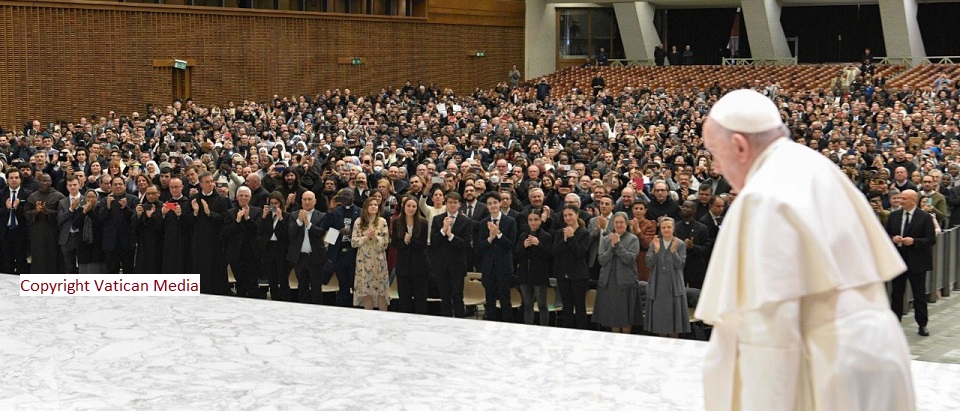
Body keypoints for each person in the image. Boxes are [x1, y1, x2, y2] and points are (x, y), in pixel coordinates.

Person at [697, 89, 914, 411]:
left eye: (715, 153)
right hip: (879, 352)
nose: (716, 167)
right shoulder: (814, 165)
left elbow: (769, 333)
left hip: (831, 368)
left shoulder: (763, 196)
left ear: (740, 146)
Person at [886, 189, 936, 337]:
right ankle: (895, 323)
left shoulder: (924, 217)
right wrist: (893, 238)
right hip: (899, 259)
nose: (900, 201)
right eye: (900, 198)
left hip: (917, 261)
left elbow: (931, 239)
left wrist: (914, 241)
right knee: (897, 293)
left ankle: (922, 324)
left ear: (913, 201)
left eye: (904, 199)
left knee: (919, 294)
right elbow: (886, 233)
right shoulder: (894, 215)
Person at [593, 212, 643, 333]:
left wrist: (618, 245)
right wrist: (611, 248)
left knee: (626, 318)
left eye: (621, 222)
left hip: (626, 282)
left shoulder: (633, 239)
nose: (619, 225)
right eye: (616, 222)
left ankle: (626, 341)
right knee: (613, 318)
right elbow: (601, 260)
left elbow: (629, 259)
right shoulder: (606, 239)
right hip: (609, 282)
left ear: (626, 224)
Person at [430, 191, 473, 318]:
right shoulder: (438, 219)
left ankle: (459, 322)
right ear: (446, 203)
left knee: (457, 296)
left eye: (455, 202)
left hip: (457, 265)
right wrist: (443, 230)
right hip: (441, 265)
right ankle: (446, 323)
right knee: (444, 296)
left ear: (459, 204)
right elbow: (434, 242)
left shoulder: (466, 221)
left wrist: (450, 235)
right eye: (449, 202)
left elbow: (465, 244)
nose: (452, 205)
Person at [644, 217, 689, 337]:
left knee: (674, 324)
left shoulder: (680, 244)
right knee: (660, 322)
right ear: (660, 229)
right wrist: (656, 252)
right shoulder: (655, 243)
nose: (666, 230)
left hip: (674, 286)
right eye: (664, 227)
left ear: (673, 228)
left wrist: (674, 252)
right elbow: (648, 263)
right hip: (658, 286)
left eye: (669, 227)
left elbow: (680, 265)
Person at [476, 192, 517, 322]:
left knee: (505, 298)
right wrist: (490, 238)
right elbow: (480, 246)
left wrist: (498, 234)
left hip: (504, 266)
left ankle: (507, 324)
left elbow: (511, 245)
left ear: (500, 203)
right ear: (487, 206)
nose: (493, 205)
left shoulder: (510, 221)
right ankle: (491, 325)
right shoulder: (483, 223)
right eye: (489, 203)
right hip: (488, 267)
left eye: (495, 202)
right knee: (490, 299)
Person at [190, 172, 230, 294]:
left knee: (216, 270)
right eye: (207, 182)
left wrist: (209, 213)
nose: (211, 184)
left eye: (212, 181)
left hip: (215, 241)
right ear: (201, 184)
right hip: (198, 241)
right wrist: (195, 213)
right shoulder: (194, 199)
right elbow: (187, 221)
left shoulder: (222, 200)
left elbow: (224, 220)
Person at [552, 204, 591, 329]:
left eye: (570, 215)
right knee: (566, 306)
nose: (568, 218)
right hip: (563, 274)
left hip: (578, 275)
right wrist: (564, 240)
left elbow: (580, 253)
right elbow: (554, 252)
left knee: (579, 306)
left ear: (577, 215)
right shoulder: (560, 232)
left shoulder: (584, 233)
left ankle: (581, 331)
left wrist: (572, 238)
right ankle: (567, 331)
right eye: (565, 215)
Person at [321, 188, 361, 307]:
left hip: (353, 253)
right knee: (342, 284)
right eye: (343, 195)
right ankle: (343, 307)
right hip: (339, 254)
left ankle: (355, 306)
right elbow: (325, 227)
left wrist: (351, 232)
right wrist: (330, 209)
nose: (345, 197)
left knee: (355, 283)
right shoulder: (335, 211)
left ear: (353, 197)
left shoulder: (360, 211)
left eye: (347, 195)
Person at [391, 196, 430, 314]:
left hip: (420, 265)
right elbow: (394, 243)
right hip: (403, 265)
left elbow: (423, 245)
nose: (411, 208)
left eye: (414, 206)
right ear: (404, 207)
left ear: (417, 208)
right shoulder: (397, 222)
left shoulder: (423, 222)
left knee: (420, 298)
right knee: (404, 298)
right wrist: (404, 242)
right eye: (408, 206)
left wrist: (411, 240)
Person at [224, 186, 264, 298]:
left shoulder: (257, 211)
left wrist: (247, 218)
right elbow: (226, 232)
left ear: (250, 198)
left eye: (246, 196)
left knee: (252, 284)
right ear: (236, 197)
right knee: (240, 284)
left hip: (252, 254)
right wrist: (237, 221)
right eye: (241, 195)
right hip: (236, 254)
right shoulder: (230, 212)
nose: (243, 198)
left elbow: (258, 230)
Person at [351, 197, 390, 310]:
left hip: (378, 259)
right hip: (364, 260)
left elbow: (386, 242)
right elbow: (353, 242)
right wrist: (366, 237)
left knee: (381, 291)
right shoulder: (359, 222)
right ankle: (368, 316)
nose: (373, 206)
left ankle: (383, 316)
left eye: (375, 205)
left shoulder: (382, 222)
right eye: (371, 204)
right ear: (366, 207)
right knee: (366, 290)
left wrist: (375, 237)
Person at [287, 191, 326, 304]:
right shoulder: (294, 215)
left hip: (315, 257)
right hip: (300, 257)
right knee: (302, 287)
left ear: (315, 201)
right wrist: (299, 221)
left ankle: (316, 309)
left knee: (316, 287)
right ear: (301, 201)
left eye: (310, 199)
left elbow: (320, 233)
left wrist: (308, 224)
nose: (307, 202)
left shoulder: (321, 216)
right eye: (304, 199)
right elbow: (291, 234)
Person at [515, 212, 553, 325]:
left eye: (535, 219)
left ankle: (544, 328)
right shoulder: (523, 235)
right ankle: (528, 327)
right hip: (524, 274)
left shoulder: (546, 236)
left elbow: (549, 256)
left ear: (540, 221)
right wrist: (524, 246)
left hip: (539, 275)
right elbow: (516, 255)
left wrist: (538, 244)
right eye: (530, 220)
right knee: (527, 305)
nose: (533, 222)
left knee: (542, 304)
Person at [97, 176, 138, 274]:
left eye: (120, 184)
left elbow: (135, 219)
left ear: (125, 186)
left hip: (128, 242)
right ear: (111, 186)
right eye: (115, 184)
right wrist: (108, 207)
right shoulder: (105, 200)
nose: (118, 186)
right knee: (111, 272)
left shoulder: (133, 199)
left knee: (129, 271)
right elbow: (99, 219)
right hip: (110, 243)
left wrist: (126, 208)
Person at [25, 174, 64, 273]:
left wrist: (47, 211)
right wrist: (36, 211)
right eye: (42, 181)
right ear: (39, 182)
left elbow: (62, 214)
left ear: (51, 182)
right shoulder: (33, 196)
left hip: (53, 232)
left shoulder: (58, 196)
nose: (45, 183)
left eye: (47, 181)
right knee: (39, 257)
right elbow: (26, 213)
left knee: (53, 257)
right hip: (37, 232)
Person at [259, 191, 292, 302]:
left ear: (281, 203)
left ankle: (286, 300)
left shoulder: (287, 216)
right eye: (271, 203)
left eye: (276, 203)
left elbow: (286, 235)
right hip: (269, 248)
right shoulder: (267, 216)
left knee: (283, 279)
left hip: (281, 249)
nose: (274, 205)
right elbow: (260, 232)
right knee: (271, 278)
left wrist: (280, 218)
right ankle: (274, 299)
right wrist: (264, 216)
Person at [1, 169, 31, 274]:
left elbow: (29, 214)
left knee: (21, 260)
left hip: (21, 231)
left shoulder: (27, 194)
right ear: (7, 180)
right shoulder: (1, 194)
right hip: (5, 232)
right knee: (6, 259)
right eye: (11, 178)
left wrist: (18, 208)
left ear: (20, 179)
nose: (14, 180)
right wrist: (6, 208)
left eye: (16, 177)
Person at [131, 185, 163, 274]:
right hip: (143, 243)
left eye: (153, 193)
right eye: (148, 194)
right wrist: (138, 215)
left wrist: (150, 217)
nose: (150, 196)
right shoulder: (142, 207)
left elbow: (161, 226)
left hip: (159, 243)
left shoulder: (163, 207)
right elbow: (134, 225)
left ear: (159, 193)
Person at [57, 176, 84, 273]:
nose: (72, 187)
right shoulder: (62, 202)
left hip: (82, 237)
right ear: (67, 187)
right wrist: (71, 209)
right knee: (69, 266)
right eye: (70, 185)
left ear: (80, 185)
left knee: (83, 265)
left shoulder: (85, 199)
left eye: (75, 185)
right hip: (67, 238)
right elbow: (59, 219)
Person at [75, 190, 105, 274]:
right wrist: (84, 213)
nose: (90, 199)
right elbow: (75, 224)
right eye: (88, 197)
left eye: (93, 197)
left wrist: (89, 211)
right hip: (83, 244)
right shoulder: (80, 209)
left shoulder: (100, 208)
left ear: (97, 198)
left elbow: (99, 223)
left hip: (97, 243)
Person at [629, 201, 656, 281]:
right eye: (636, 208)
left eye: (641, 209)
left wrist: (638, 232)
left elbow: (647, 244)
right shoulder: (627, 223)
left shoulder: (650, 224)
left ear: (645, 211)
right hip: (629, 257)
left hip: (642, 258)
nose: (638, 211)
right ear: (632, 210)